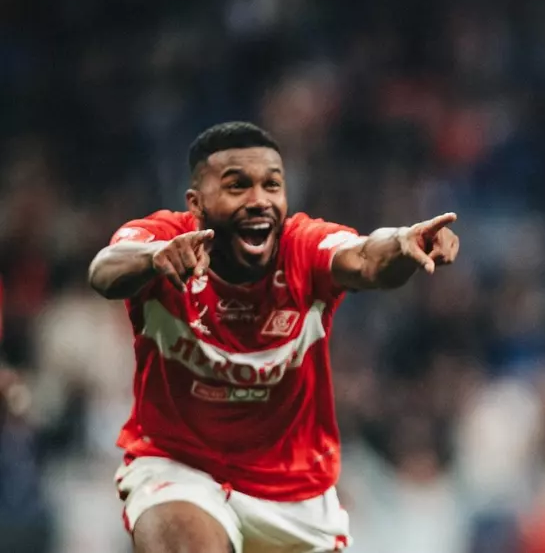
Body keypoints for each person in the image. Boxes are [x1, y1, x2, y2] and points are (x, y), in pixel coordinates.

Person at [88, 121, 460, 553]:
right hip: (179, 466)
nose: (259, 200)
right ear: (197, 203)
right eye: (237, 186)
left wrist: (402, 243)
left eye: (272, 185)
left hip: (294, 492)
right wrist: (153, 258)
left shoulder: (303, 248)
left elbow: (365, 258)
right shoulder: (165, 240)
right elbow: (105, 270)